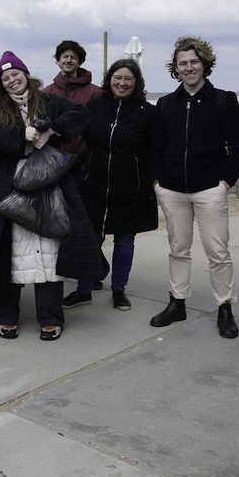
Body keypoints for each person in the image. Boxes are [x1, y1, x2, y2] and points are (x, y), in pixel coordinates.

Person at [0, 52, 106, 340]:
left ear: (25, 73)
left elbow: (82, 114)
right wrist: (20, 136)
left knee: (49, 250)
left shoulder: (48, 99)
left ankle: (50, 317)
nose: (12, 80)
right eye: (6, 78)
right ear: (1, 83)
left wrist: (51, 131)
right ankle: (7, 315)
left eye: (16, 74)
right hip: (10, 182)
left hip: (51, 183)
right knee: (8, 251)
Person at [149, 36, 239, 338]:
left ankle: (225, 308)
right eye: (183, 63)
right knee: (178, 249)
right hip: (172, 190)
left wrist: (225, 182)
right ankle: (177, 303)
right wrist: (158, 183)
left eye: (194, 62)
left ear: (204, 64)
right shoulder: (165, 104)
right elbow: (155, 146)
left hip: (210, 189)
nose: (189, 67)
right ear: (175, 68)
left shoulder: (224, 100)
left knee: (218, 251)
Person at [63, 58, 158, 311]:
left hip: (131, 188)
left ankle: (119, 290)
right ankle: (84, 289)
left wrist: (148, 182)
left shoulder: (147, 112)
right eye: (118, 77)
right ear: (110, 80)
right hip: (94, 184)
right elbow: (86, 137)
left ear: (137, 82)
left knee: (125, 241)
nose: (122, 83)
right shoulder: (95, 105)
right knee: (90, 238)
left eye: (128, 78)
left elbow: (154, 149)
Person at [43, 40, 102, 170]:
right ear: (57, 61)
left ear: (80, 62)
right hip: (50, 165)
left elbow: (100, 131)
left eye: (73, 57)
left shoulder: (95, 93)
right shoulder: (46, 93)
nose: (68, 60)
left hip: (83, 165)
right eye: (65, 56)